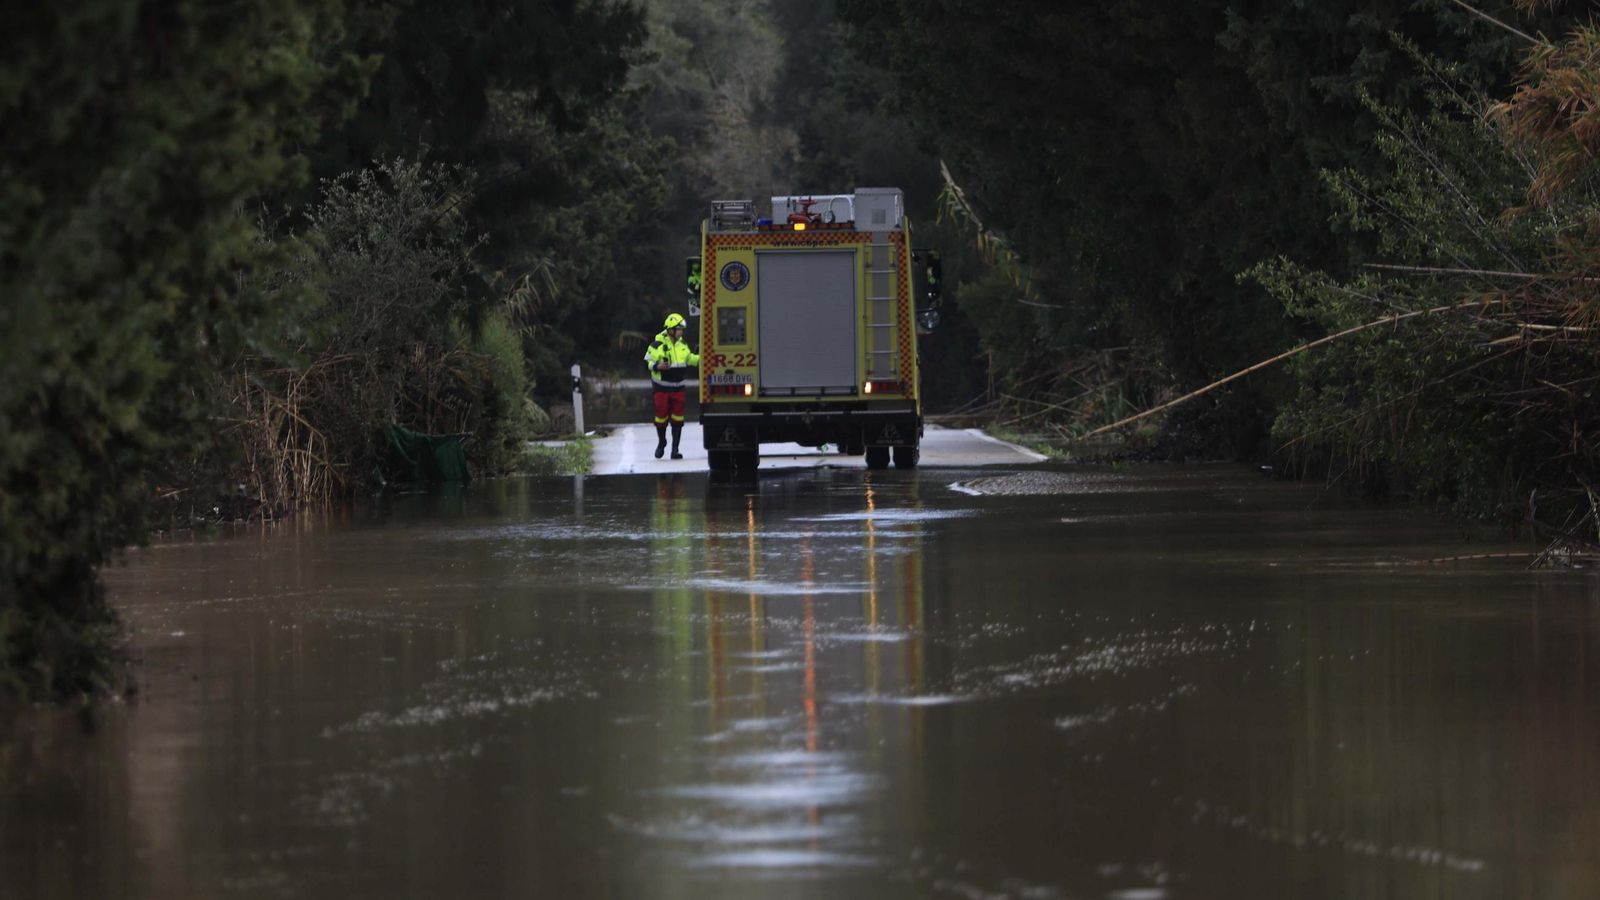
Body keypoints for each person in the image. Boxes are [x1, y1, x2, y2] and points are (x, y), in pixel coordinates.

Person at [644, 312, 700, 459]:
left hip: (678, 388)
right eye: (679, 329)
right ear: (670, 330)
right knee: (661, 418)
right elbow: (648, 363)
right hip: (661, 389)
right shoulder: (656, 345)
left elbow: (691, 359)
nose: (681, 332)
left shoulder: (683, 345)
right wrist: (657, 366)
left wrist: (703, 356)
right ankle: (662, 442)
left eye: (682, 330)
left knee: (678, 419)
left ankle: (675, 450)